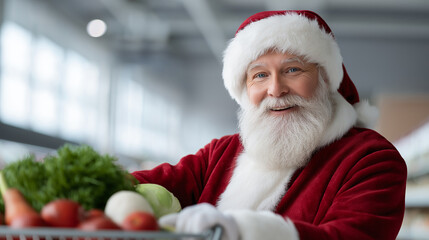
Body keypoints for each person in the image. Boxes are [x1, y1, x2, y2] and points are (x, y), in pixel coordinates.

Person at [131, 10, 407, 240]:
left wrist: (243, 231)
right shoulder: (221, 153)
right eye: (260, 75)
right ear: (245, 89)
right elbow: (145, 184)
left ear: (325, 79)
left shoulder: (372, 159)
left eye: (292, 70)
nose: (275, 89)